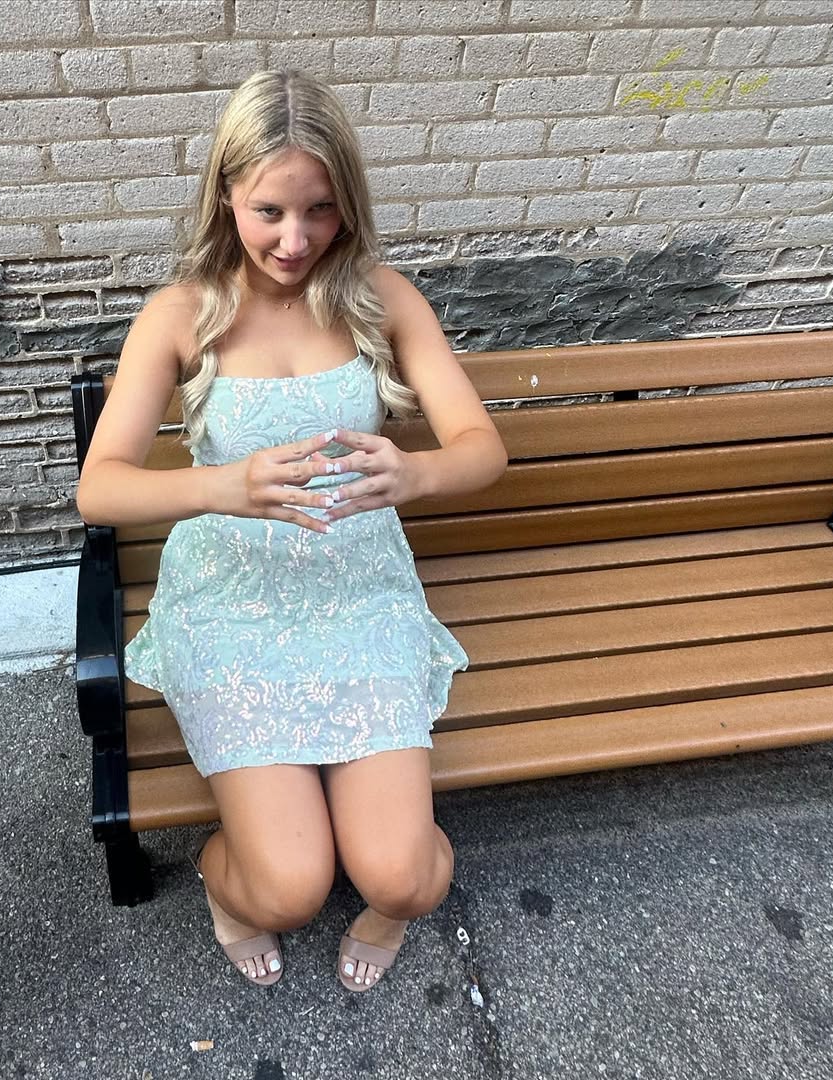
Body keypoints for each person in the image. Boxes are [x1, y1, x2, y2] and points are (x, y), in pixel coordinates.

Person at [75, 68, 508, 992]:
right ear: (225, 195)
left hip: (358, 590)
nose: (296, 239)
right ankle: (224, 886)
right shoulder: (182, 314)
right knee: (286, 889)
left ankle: (385, 906)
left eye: (320, 210)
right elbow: (99, 489)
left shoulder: (380, 297)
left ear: (347, 203)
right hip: (231, 602)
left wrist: (417, 473)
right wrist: (221, 484)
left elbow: (483, 449)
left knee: (404, 878)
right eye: (269, 210)